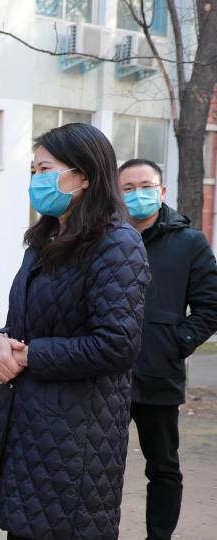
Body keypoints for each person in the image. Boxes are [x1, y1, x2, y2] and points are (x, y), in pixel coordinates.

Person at [0, 123, 151, 540]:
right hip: (29, 424)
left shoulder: (116, 243)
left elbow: (116, 344)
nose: (36, 180)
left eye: (46, 170)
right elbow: (27, 323)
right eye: (33, 170)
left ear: (83, 175)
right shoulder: (46, 239)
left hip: (75, 435)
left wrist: (30, 355)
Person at [119, 158, 217, 540]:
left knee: (162, 468)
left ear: (161, 191)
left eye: (146, 186)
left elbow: (211, 306)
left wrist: (176, 343)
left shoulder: (189, 242)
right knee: (96, 467)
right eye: (128, 188)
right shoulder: (105, 239)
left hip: (158, 375)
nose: (137, 194)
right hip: (105, 375)